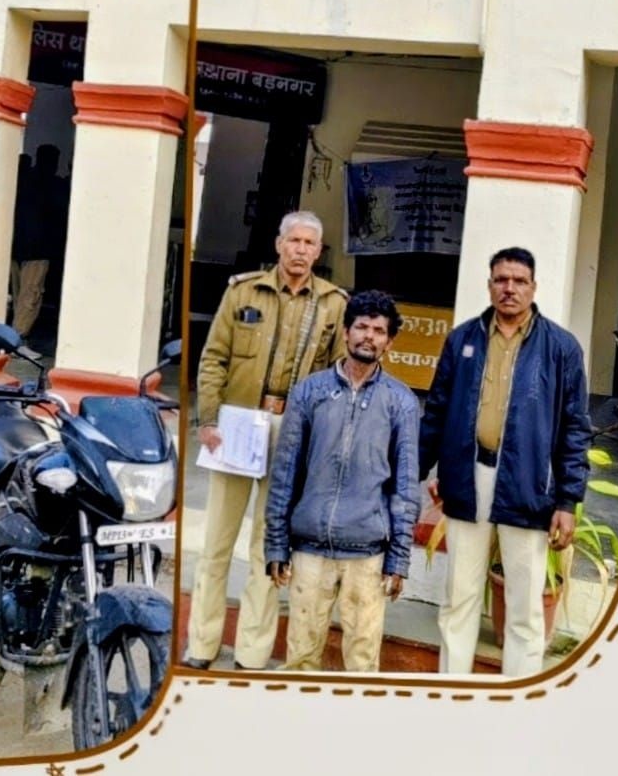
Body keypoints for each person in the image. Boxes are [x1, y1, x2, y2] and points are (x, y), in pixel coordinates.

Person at [184, 209, 348, 671]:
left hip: (292, 430)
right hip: (237, 425)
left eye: (309, 243)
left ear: (318, 251)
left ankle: (252, 653)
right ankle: (202, 644)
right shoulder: (243, 291)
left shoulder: (333, 304)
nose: (300, 250)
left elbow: (337, 379)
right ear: (279, 244)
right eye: (293, 240)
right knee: (217, 543)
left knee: (268, 547)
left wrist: (320, 440)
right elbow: (213, 357)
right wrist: (208, 420)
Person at [418, 246, 592, 677]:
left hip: (527, 484)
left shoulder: (561, 348)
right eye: (501, 279)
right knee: (458, 599)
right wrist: (416, 475)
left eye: (519, 281)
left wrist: (567, 501)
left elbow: (575, 428)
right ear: (489, 284)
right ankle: (453, 693)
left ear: (534, 287)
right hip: (468, 478)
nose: (509, 288)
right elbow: (436, 411)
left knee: (525, 609)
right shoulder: (462, 340)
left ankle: (518, 698)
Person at [265, 290, 419, 672]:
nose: (369, 336)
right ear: (346, 332)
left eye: (379, 331)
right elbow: (285, 473)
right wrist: (276, 544)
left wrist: (399, 558)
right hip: (310, 549)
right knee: (300, 659)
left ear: (389, 342)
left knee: (362, 664)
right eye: (362, 327)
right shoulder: (309, 391)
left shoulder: (401, 401)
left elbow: (405, 487)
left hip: (367, 555)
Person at [9, 144, 69, 340]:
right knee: (31, 294)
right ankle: (18, 337)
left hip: (18, 245)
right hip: (39, 248)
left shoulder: (23, 180)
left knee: (21, 294)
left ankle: (15, 335)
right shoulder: (54, 185)